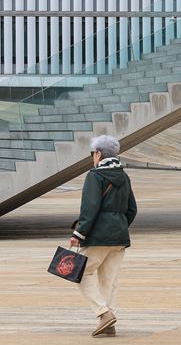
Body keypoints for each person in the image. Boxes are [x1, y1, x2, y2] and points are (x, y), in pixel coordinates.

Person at [69, 135, 138, 337]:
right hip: (119, 238)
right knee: (109, 280)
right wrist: (119, 225)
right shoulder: (123, 176)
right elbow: (132, 209)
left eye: (93, 153)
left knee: (80, 273)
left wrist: (79, 234)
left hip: (98, 236)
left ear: (98, 154)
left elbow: (89, 209)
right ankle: (109, 322)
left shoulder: (95, 175)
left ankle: (103, 313)